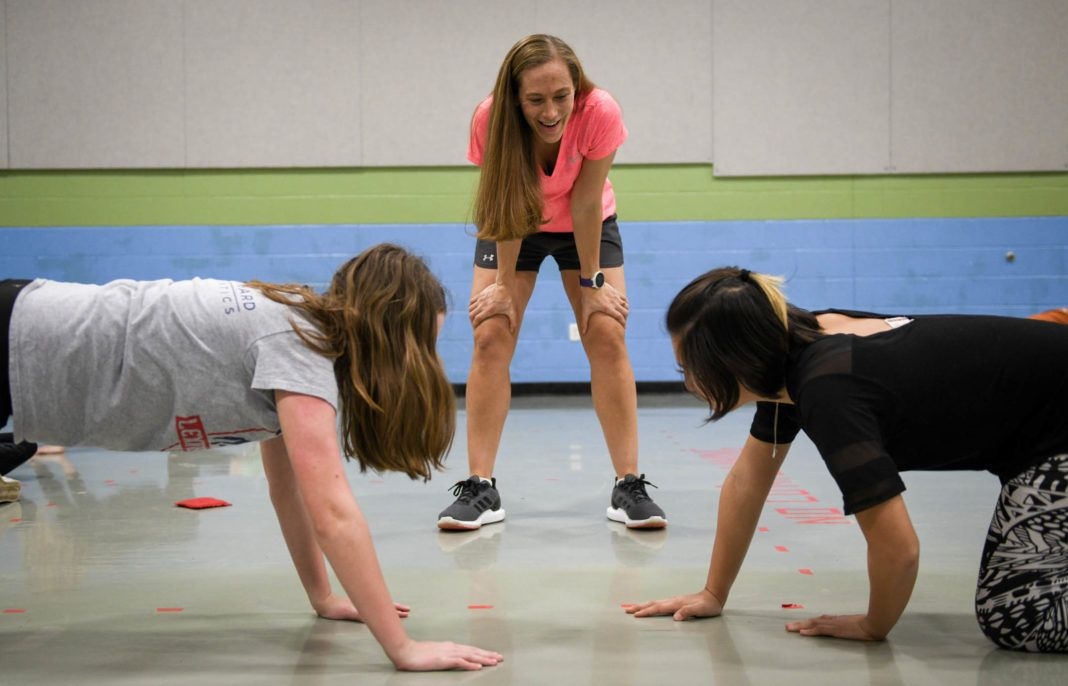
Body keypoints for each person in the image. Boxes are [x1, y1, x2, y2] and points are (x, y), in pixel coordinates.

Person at [1, 244, 503, 671]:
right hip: (20, 337)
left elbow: (289, 491)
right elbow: (333, 514)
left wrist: (323, 596)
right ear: (390, 334)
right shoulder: (301, 350)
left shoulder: (297, 330)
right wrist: (402, 646)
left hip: (23, 327)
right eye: (424, 344)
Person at [626, 266, 1068, 653]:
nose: (687, 383)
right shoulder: (796, 345)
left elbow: (900, 548)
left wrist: (874, 625)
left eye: (689, 369)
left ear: (732, 363)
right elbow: (748, 480)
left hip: (1055, 435)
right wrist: (713, 592)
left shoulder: (829, 389)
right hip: (1038, 435)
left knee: (1020, 620)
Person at [438, 34, 666, 531]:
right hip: (511, 218)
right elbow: (506, 201)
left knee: (606, 329)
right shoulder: (490, 118)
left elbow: (586, 204)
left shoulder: (599, 111)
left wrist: (592, 282)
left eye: (561, 96)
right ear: (515, 97)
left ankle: (628, 484)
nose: (550, 111)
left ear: (576, 87)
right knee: (491, 330)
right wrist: (500, 284)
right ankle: (481, 486)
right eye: (536, 99)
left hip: (586, 225)